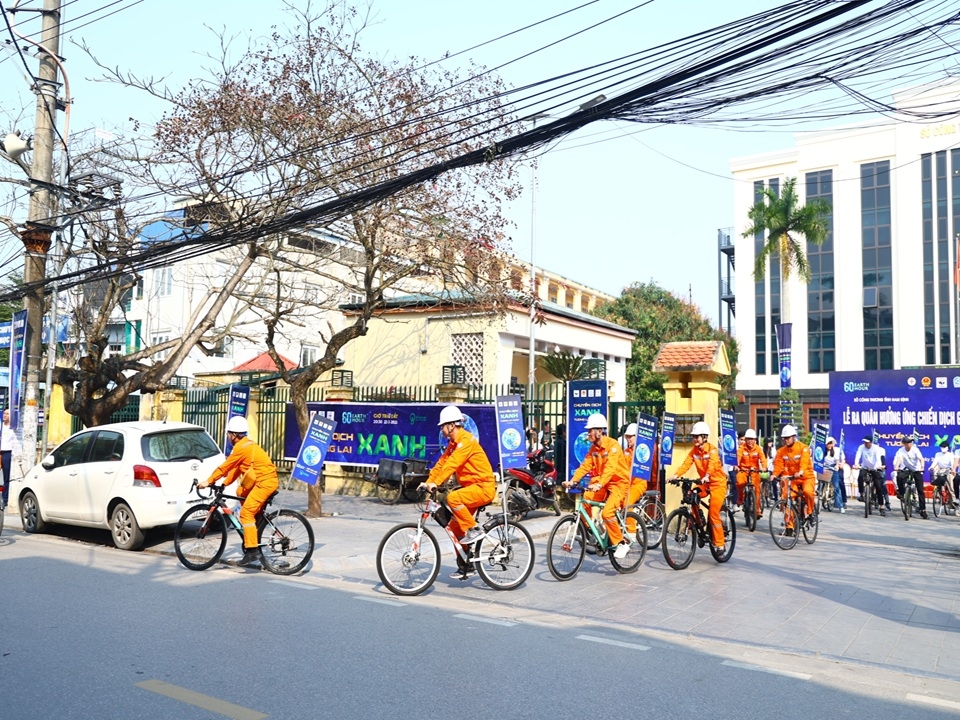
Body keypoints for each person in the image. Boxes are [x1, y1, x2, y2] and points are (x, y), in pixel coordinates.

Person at [420, 405, 497, 578]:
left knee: (453, 498)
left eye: (443, 426)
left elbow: (452, 464)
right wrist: (429, 481)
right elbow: (441, 463)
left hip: (483, 487)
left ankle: (474, 530)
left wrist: (436, 483)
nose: (442, 429)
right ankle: (467, 563)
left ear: (451, 425)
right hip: (471, 489)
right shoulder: (453, 444)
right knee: (454, 526)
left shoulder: (466, 441)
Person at [199, 416, 280, 567]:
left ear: (234, 435)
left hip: (265, 483)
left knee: (246, 514)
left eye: (229, 434)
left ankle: (252, 550)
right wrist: (224, 484)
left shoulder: (240, 448)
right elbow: (236, 468)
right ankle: (254, 528)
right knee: (240, 492)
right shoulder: (246, 445)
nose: (228, 437)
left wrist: (209, 481)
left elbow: (225, 467)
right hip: (262, 481)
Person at [564, 413, 631, 559]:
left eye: (590, 431)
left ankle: (621, 543)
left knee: (607, 513)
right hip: (602, 483)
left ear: (599, 431)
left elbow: (610, 469)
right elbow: (584, 467)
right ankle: (591, 532)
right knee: (585, 501)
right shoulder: (593, 449)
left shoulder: (613, 446)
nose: (588, 434)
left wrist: (599, 483)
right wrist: (572, 481)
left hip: (618, 483)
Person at [672, 420, 728, 553]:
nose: (694, 439)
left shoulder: (712, 450)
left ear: (704, 437)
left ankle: (720, 543)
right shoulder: (694, 451)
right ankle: (699, 521)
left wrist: (707, 475)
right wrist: (675, 475)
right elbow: (686, 464)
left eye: (696, 436)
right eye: (693, 436)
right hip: (704, 483)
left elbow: (712, 464)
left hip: (718, 484)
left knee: (714, 513)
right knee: (690, 495)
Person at [772, 424, 816, 533]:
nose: (786, 440)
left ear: (794, 437)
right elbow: (778, 465)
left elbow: (804, 462)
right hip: (791, 479)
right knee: (786, 498)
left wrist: (801, 471)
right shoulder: (781, 451)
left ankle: (810, 512)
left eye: (788, 438)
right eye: (784, 438)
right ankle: (789, 526)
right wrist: (774, 474)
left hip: (806, 477)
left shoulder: (803, 448)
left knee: (808, 492)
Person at [893, 435, 927, 519]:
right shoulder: (901, 450)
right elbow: (899, 459)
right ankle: (902, 493)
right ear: (904, 444)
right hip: (906, 469)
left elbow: (921, 459)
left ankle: (923, 510)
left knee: (920, 490)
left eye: (910, 442)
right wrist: (896, 466)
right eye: (908, 443)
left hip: (916, 470)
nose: (910, 444)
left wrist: (922, 467)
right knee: (899, 477)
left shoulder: (915, 450)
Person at [853, 435, 886, 517]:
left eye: (867, 442)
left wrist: (879, 466)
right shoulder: (861, 447)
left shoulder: (876, 448)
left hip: (874, 468)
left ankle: (882, 507)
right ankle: (861, 494)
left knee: (878, 487)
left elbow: (878, 458)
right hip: (865, 467)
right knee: (860, 477)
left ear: (871, 442)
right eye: (864, 442)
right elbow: (858, 456)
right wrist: (856, 464)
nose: (865, 444)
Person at [736, 428, 766, 521]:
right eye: (747, 439)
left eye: (751, 439)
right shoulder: (741, 448)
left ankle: (757, 511)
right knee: (739, 482)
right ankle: (741, 498)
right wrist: (736, 465)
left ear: (755, 440)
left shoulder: (758, 449)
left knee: (757, 490)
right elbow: (738, 457)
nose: (749, 441)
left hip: (754, 472)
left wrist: (764, 467)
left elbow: (763, 459)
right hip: (743, 471)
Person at [0, 409, 21, 508]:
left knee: (6, 477)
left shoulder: (13, 428)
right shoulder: (0, 426)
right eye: (4, 413)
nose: (5, 415)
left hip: (7, 453)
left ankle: (5, 499)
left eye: (7, 414)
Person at [929, 440, 958, 509]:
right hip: (940, 469)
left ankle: (955, 504)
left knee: (951, 487)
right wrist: (931, 467)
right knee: (935, 473)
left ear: (947, 448)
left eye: (944, 447)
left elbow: (952, 464)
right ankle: (939, 492)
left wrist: (951, 470)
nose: (943, 448)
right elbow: (935, 461)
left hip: (948, 469)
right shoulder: (938, 454)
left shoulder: (951, 455)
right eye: (941, 447)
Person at [823, 437, 845, 514]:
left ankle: (840, 506)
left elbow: (837, 461)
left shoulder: (836, 450)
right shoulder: (822, 450)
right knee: (820, 483)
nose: (829, 445)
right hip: (824, 468)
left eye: (830, 443)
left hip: (833, 468)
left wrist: (837, 465)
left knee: (836, 487)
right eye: (827, 444)